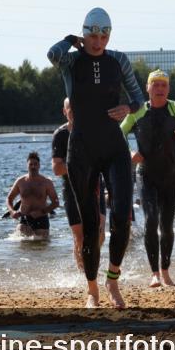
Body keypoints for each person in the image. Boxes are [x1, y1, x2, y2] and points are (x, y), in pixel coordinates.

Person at [48, 7, 145, 308]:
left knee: (121, 218)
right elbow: (52, 54)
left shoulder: (119, 60)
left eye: (104, 35)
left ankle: (113, 280)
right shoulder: (72, 60)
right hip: (81, 150)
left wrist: (128, 108)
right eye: (93, 35)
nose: (98, 41)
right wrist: (70, 40)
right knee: (90, 227)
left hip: (114, 147)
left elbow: (139, 100)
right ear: (85, 33)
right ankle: (92, 291)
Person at [120, 69, 175, 287]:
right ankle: (154, 273)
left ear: (169, 89)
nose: (159, 89)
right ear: (147, 88)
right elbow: (118, 134)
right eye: (155, 84)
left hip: (171, 175)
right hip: (146, 174)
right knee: (150, 221)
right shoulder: (137, 111)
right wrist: (129, 153)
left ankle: (165, 271)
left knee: (167, 226)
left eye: (163, 85)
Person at [52, 98, 105, 271]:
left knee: (99, 234)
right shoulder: (60, 135)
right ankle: (84, 273)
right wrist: (79, 166)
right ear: (64, 111)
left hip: (95, 184)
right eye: (70, 109)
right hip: (72, 189)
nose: (74, 112)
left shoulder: (94, 130)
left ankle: (94, 266)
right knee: (80, 237)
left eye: (77, 108)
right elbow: (57, 169)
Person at [6, 151, 59, 240]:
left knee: (41, 249)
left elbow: (56, 202)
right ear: (27, 165)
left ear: (39, 165)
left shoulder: (46, 182)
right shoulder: (21, 181)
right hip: (24, 218)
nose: (33, 166)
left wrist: (42, 212)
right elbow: (9, 198)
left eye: (35, 164)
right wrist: (12, 211)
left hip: (41, 219)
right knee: (22, 249)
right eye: (31, 164)